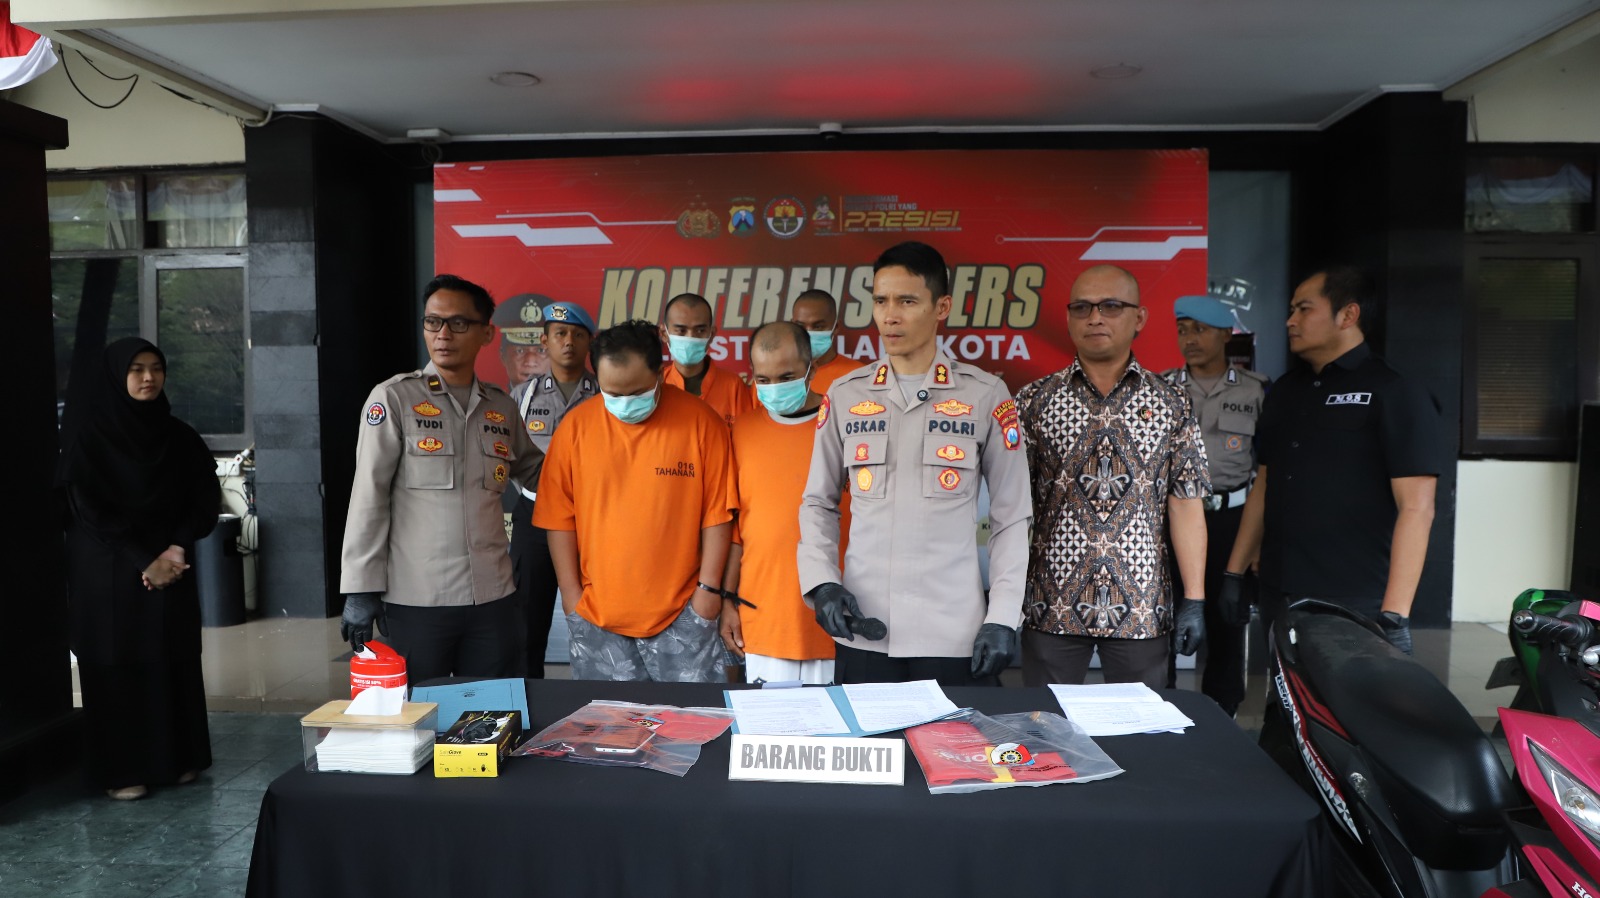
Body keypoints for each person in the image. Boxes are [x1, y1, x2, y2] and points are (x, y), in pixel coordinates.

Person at [797, 241, 1032, 687]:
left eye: (907, 301)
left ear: (941, 307)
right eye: (881, 301)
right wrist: (822, 582)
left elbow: (1011, 516)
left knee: (956, 736)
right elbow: (818, 503)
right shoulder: (846, 394)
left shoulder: (984, 394)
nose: (890, 316)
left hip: (953, 635)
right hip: (864, 630)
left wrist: (1003, 615)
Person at [1224, 267, 1443, 654]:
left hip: (1352, 598)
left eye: (1304, 309)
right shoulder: (1285, 391)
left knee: (1344, 695)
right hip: (1279, 590)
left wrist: (1395, 614)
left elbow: (1418, 507)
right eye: (1291, 310)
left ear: (1348, 315)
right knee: (1285, 693)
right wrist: (1234, 572)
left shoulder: (1395, 390)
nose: (1291, 320)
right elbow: (1264, 484)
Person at [1015, 265, 1211, 690]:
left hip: (1140, 606)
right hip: (1051, 603)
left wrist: (1194, 598)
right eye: (1082, 308)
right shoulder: (1033, 401)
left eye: (1110, 306)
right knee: (1046, 722)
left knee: (1141, 726)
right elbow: (1011, 506)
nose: (1095, 318)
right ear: (1068, 318)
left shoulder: (1172, 403)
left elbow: (1186, 501)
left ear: (1139, 318)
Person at [340, 274, 542, 684]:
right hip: (417, 598)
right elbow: (368, 497)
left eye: (458, 323)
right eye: (433, 322)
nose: (443, 334)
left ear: (487, 333)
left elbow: (542, 473)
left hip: (493, 597)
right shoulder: (394, 398)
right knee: (417, 712)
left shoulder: (501, 407)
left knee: (489, 712)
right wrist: (360, 588)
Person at [59, 338, 221, 800]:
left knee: (171, 657)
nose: (149, 377)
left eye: (156, 368)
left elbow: (203, 499)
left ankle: (177, 759)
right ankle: (123, 770)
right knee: (118, 661)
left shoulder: (179, 436)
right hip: (109, 570)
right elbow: (87, 509)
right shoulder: (89, 437)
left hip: (170, 565)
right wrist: (143, 559)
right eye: (136, 369)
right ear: (116, 376)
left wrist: (175, 549)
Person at [533, 320, 735, 682]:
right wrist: (572, 598)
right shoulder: (575, 429)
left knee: (691, 716)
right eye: (613, 393)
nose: (625, 403)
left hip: (684, 615)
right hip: (597, 617)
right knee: (606, 718)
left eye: (638, 392)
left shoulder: (702, 424)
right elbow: (558, 519)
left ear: (660, 373)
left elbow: (717, 515)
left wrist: (708, 592)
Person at [1160, 295, 1267, 716]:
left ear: (1226, 335)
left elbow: (1267, 470)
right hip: (1170, 521)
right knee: (1164, 620)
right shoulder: (1161, 389)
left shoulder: (1256, 390)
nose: (1189, 339)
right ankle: (1161, 708)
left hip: (1231, 521)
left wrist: (1257, 542)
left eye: (1200, 330)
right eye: (1182, 330)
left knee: (1227, 619)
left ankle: (1223, 713)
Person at [721, 322, 843, 685]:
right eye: (764, 379)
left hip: (839, 617)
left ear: (812, 368)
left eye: (786, 376)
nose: (774, 388)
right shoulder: (740, 432)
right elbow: (734, 530)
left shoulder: (844, 425)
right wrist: (727, 601)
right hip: (764, 616)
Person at [507, 301, 598, 677]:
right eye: (560, 334)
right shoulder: (522, 396)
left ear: (589, 343)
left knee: (596, 616)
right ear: (544, 341)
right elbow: (508, 453)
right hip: (536, 515)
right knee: (527, 621)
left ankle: (599, 694)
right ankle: (527, 697)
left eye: (578, 334)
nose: (569, 342)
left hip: (592, 519)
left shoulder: (605, 393)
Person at [660, 292, 753, 425]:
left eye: (700, 331)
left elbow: (747, 433)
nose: (690, 337)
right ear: (664, 334)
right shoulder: (657, 385)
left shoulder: (733, 387)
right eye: (681, 331)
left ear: (712, 334)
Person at [791, 288, 860, 396]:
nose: (808, 333)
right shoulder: (774, 376)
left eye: (818, 326)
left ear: (836, 327)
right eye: (800, 326)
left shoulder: (859, 375)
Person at [492, 293, 552, 391]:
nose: (531, 362)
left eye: (541, 350)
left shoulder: (572, 400)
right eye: (520, 351)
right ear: (503, 356)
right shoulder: (489, 399)